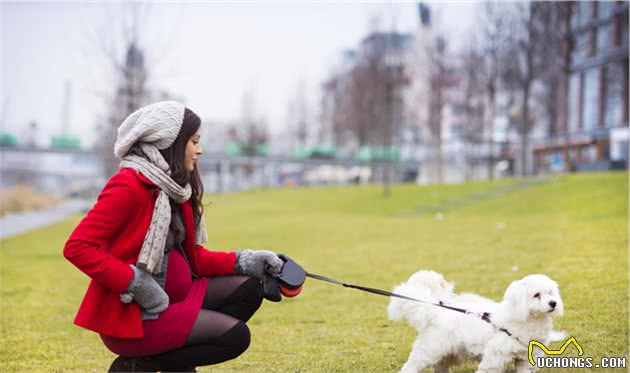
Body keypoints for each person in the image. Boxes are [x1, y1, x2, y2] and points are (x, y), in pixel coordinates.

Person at [63, 101, 284, 372]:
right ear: (171, 143)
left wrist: (249, 261)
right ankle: (139, 364)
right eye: (194, 141)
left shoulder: (174, 188)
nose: (199, 150)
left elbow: (195, 260)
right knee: (236, 337)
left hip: (180, 298)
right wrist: (136, 284)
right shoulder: (128, 185)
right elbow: (77, 247)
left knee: (251, 287)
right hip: (140, 314)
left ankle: (172, 362)